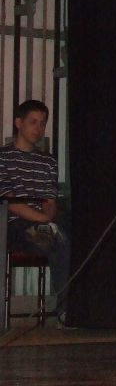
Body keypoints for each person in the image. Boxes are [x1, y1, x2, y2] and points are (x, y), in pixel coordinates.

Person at [0, 100, 70, 321]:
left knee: (68, 235)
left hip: (43, 223)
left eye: (42, 123)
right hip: (15, 227)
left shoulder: (47, 161)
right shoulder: (3, 158)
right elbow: (11, 202)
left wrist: (49, 216)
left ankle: (75, 306)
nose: (38, 128)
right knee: (59, 240)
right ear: (18, 123)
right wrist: (44, 218)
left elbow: (50, 199)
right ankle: (65, 309)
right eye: (33, 122)